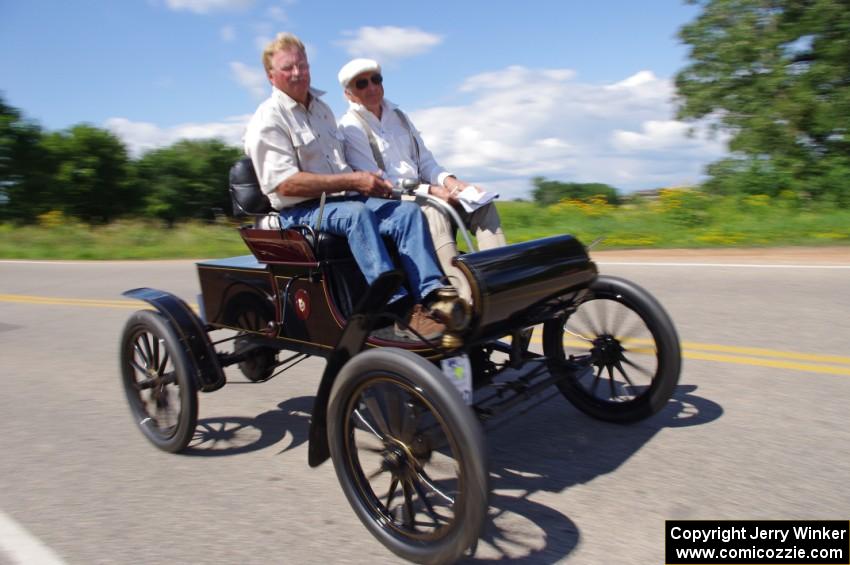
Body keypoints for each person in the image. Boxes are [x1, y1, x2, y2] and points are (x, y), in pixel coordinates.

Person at [243, 33, 451, 339]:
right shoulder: (268, 119)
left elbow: (342, 165)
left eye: (302, 64)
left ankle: (434, 298)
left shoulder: (322, 109)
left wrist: (371, 182)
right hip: (300, 212)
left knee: (406, 214)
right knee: (356, 216)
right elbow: (284, 184)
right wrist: (354, 181)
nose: (298, 72)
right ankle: (399, 309)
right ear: (271, 76)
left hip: (342, 201)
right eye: (288, 68)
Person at [337, 58, 507, 302]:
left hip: (422, 190)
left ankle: (498, 281)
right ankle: (462, 296)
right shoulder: (350, 128)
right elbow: (378, 182)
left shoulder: (400, 117)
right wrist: (432, 191)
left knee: (482, 204)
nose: (372, 87)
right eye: (362, 84)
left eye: (376, 80)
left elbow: (425, 161)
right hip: (389, 197)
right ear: (349, 94)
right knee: (433, 211)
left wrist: (451, 183)